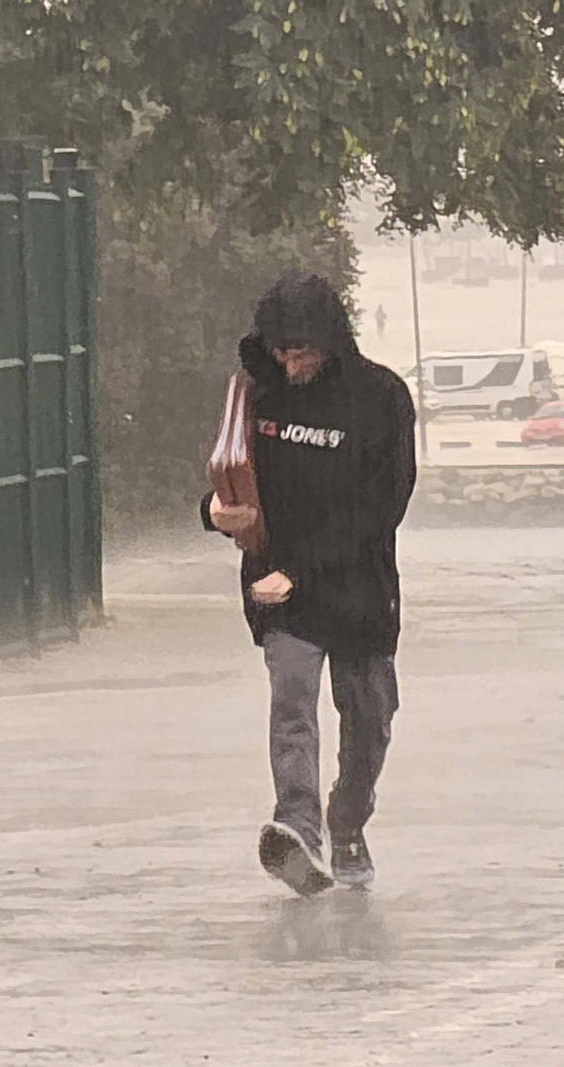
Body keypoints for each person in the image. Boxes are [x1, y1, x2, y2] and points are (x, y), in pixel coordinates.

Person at [200, 273, 416, 895]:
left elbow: (381, 509)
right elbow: (231, 483)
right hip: (280, 590)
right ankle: (297, 828)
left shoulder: (381, 398)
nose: (290, 364)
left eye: (302, 352)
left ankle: (347, 824)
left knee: (369, 716)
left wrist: (302, 568)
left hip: (360, 589)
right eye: (280, 352)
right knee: (292, 704)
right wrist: (214, 515)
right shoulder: (256, 398)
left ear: (330, 343)